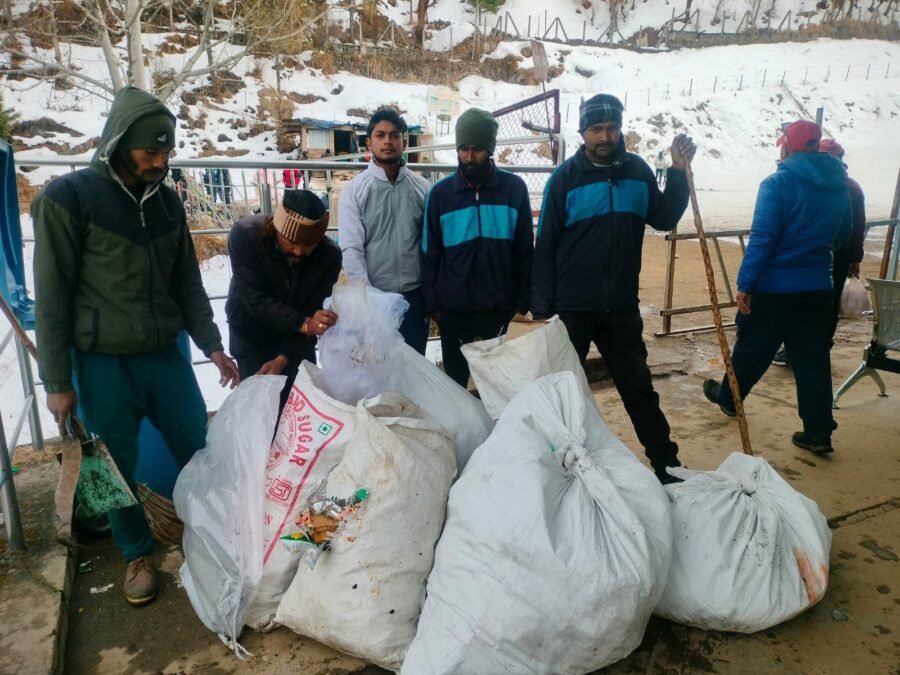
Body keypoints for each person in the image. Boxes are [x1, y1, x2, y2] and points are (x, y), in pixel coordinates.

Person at [31, 86, 240, 607]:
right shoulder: (68, 200)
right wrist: (57, 382)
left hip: (164, 355)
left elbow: (188, 284)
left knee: (198, 442)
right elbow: (51, 298)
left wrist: (213, 346)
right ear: (120, 142)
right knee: (112, 465)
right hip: (101, 361)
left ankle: (217, 532)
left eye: (168, 151)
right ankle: (136, 554)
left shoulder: (168, 201)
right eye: (152, 151)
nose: (161, 161)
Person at [531, 93, 695, 485]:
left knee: (638, 390)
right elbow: (546, 244)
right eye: (595, 129)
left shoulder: (637, 172)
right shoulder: (565, 181)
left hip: (620, 308)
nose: (604, 136)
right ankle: (555, 469)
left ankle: (667, 465)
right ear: (583, 132)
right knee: (566, 393)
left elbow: (664, 216)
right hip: (573, 308)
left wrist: (677, 172)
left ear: (620, 129)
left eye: (610, 127)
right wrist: (542, 305)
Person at [702, 120, 851, 455]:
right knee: (812, 360)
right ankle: (818, 432)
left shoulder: (777, 184)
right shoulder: (838, 185)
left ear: (786, 147)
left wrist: (746, 284)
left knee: (752, 348)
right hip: (816, 287)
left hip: (774, 288)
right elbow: (843, 233)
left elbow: (763, 239)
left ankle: (729, 398)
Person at [422, 107, 534, 388]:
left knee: (499, 388)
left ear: (491, 149)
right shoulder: (440, 195)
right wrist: (435, 307)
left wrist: (522, 302)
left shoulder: (514, 189)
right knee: (456, 388)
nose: (469, 157)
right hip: (453, 314)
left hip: (500, 311)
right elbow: (429, 255)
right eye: (463, 149)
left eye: (478, 149)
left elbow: (524, 251)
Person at [226, 189, 341, 411]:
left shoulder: (329, 256)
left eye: (308, 245)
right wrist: (306, 323)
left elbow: (313, 309)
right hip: (252, 335)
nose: (298, 251)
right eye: (291, 241)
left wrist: (283, 358)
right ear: (277, 228)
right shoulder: (246, 236)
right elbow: (255, 299)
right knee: (259, 414)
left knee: (299, 413)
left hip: (297, 342)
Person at [339, 109, 431, 354]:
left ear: (404, 141)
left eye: (394, 135)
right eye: (380, 135)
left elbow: (430, 245)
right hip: (375, 298)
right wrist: (368, 298)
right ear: (369, 142)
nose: (387, 141)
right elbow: (351, 248)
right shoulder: (354, 191)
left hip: (414, 298)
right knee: (378, 372)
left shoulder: (422, 188)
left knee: (414, 369)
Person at [771, 138, 866, 367]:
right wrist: (854, 258)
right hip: (834, 255)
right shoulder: (850, 186)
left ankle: (803, 352)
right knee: (826, 305)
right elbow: (855, 228)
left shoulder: (822, 184)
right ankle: (817, 349)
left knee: (808, 305)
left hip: (818, 254)